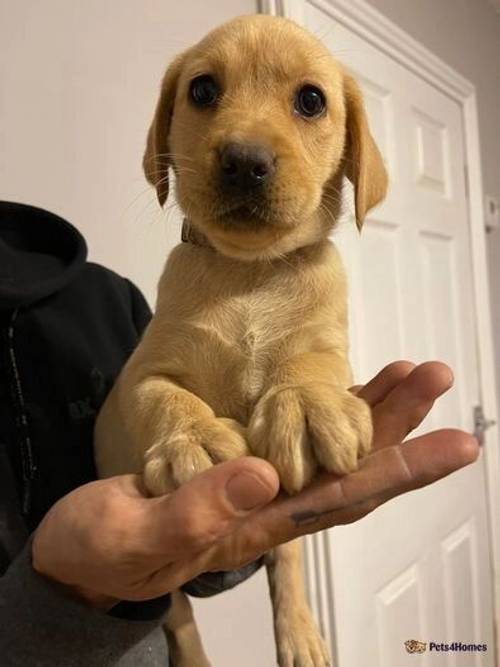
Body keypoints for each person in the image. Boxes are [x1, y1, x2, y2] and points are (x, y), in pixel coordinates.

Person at [0, 201, 478, 666]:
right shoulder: (179, 277)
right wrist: (61, 596)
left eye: (309, 111)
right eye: (206, 110)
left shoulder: (103, 295)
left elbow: (239, 478)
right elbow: (159, 403)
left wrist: (246, 555)